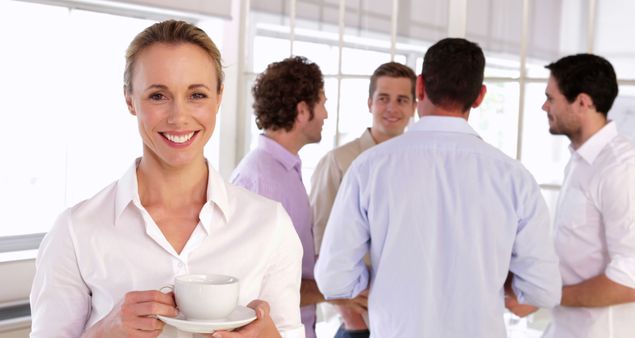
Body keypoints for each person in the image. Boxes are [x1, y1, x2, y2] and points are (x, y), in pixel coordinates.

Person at [29, 20, 304, 338]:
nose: (178, 117)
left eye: (197, 95)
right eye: (158, 96)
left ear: (218, 97)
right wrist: (103, 332)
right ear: (130, 100)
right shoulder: (75, 231)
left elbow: (287, 331)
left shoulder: (269, 225)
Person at [314, 38, 562, 338]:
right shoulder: (515, 178)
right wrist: (501, 282)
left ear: (419, 88)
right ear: (480, 96)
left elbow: (333, 279)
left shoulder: (369, 167)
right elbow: (543, 291)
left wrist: (384, 280)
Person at [309, 62, 416, 338]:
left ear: (414, 107)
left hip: (407, 323)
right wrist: (354, 320)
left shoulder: (418, 165)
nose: (392, 108)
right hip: (360, 327)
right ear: (370, 103)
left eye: (402, 100)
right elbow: (322, 248)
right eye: (383, 98)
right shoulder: (339, 162)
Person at [539, 54, 635, 338]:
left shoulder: (622, 168)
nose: (545, 106)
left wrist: (550, 295)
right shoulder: (580, 161)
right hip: (565, 328)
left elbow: (633, 278)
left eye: (551, 98)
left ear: (583, 102)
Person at [230, 56, 328, 338]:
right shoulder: (258, 181)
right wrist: (335, 289)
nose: (325, 114)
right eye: (321, 103)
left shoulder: (285, 171)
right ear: (301, 111)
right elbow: (251, 286)